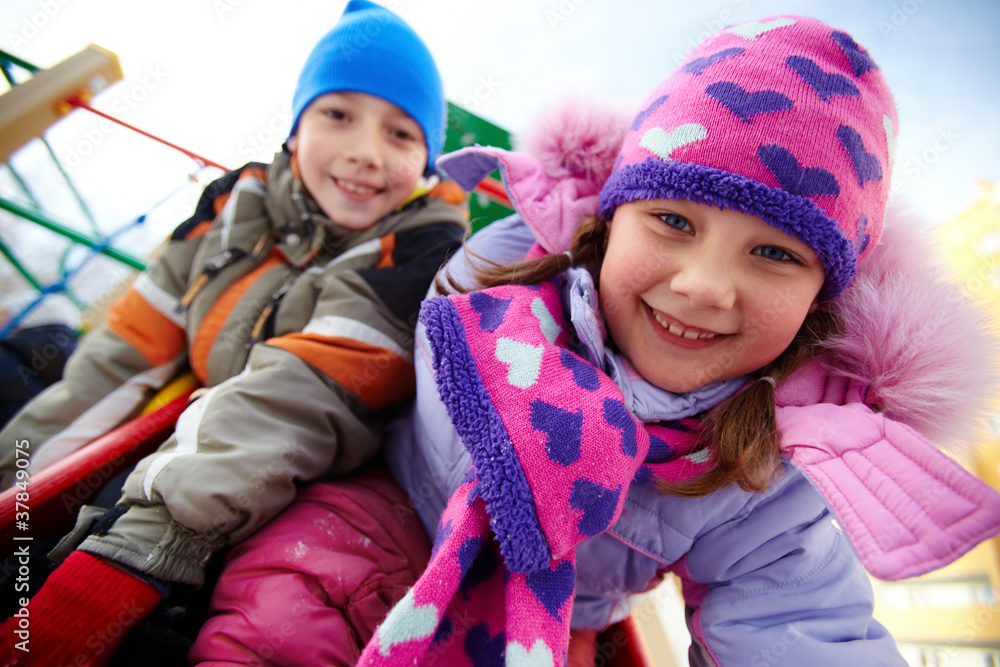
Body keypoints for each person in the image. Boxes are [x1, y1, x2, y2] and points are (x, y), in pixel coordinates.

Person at [191, 14, 1000, 667]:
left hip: (549, 617)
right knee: (276, 614)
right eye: (674, 221)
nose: (704, 286)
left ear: (824, 299)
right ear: (612, 219)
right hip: (385, 512)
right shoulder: (502, 276)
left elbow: (800, 621)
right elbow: (357, 361)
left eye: (776, 254)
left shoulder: (778, 467)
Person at [0, 1, 468, 664]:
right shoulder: (235, 201)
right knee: (29, 381)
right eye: (338, 114)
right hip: (192, 414)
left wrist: (140, 551)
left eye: (401, 134)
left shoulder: (420, 246)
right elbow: (125, 351)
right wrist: (19, 478)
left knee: (152, 589)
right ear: (297, 124)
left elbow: (301, 397)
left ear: (428, 160)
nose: (366, 152)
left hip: (279, 474)